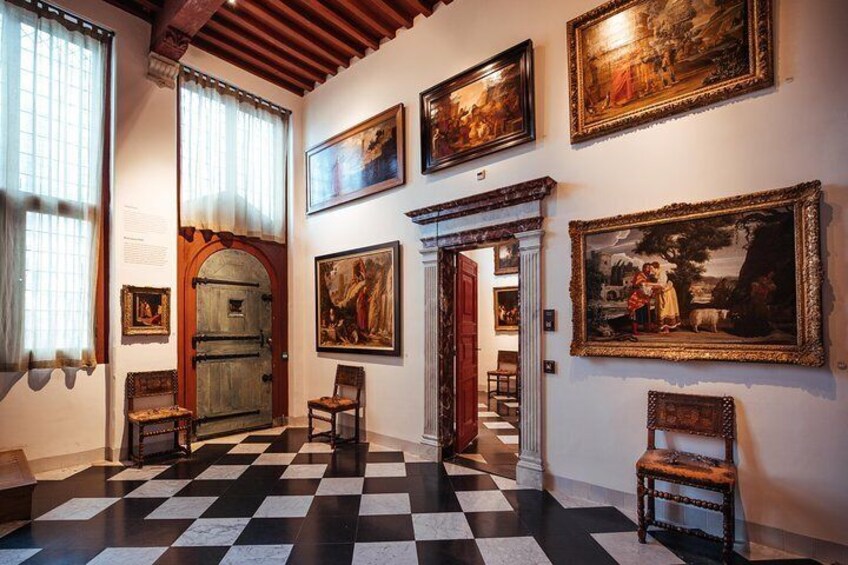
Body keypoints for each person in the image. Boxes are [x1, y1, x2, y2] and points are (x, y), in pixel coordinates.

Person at [651, 261, 680, 332]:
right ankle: (661, 327)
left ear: (656, 268)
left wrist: (650, 285)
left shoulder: (661, 273)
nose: (651, 270)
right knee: (660, 309)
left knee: (665, 309)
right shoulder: (656, 274)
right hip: (661, 292)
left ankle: (666, 328)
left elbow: (661, 285)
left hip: (666, 293)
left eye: (652, 268)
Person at [627, 263, 655, 335]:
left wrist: (650, 293)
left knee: (645, 313)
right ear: (644, 268)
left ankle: (646, 328)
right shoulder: (640, 275)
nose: (649, 270)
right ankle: (635, 330)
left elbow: (648, 287)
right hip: (637, 297)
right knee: (636, 313)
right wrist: (646, 292)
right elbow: (640, 286)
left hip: (644, 298)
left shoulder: (648, 276)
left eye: (650, 268)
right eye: (648, 268)